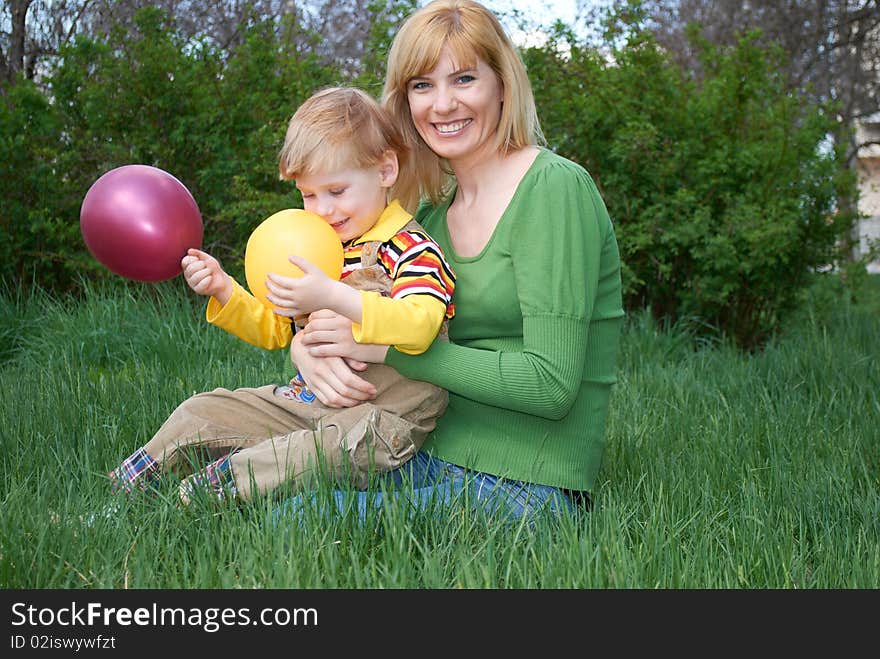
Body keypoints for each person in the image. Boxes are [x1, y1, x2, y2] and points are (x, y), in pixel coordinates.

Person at [285, 0, 625, 521]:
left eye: (464, 79)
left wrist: (384, 351)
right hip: (423, 444)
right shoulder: (427, 219)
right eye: (422, 85)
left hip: (530, 479)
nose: (442, 104)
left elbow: (551, 385)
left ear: (502, 84)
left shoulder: (554, 190)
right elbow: (348, 313)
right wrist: (306, 352)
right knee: (268, 489)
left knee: (300, 519)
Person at [108, 86, 456, 504]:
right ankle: (124, 492)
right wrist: (225, 290)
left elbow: (420, 326)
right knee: (202, 410)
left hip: (381, 418)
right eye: (309, 194)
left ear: (384, 171)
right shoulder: (317, 245)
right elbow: (278, 328)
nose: (323, 209)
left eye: (337, 191)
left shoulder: (412, 248)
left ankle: (197, 499)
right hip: (308, 403)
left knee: (302, 455)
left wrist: (333, 295)